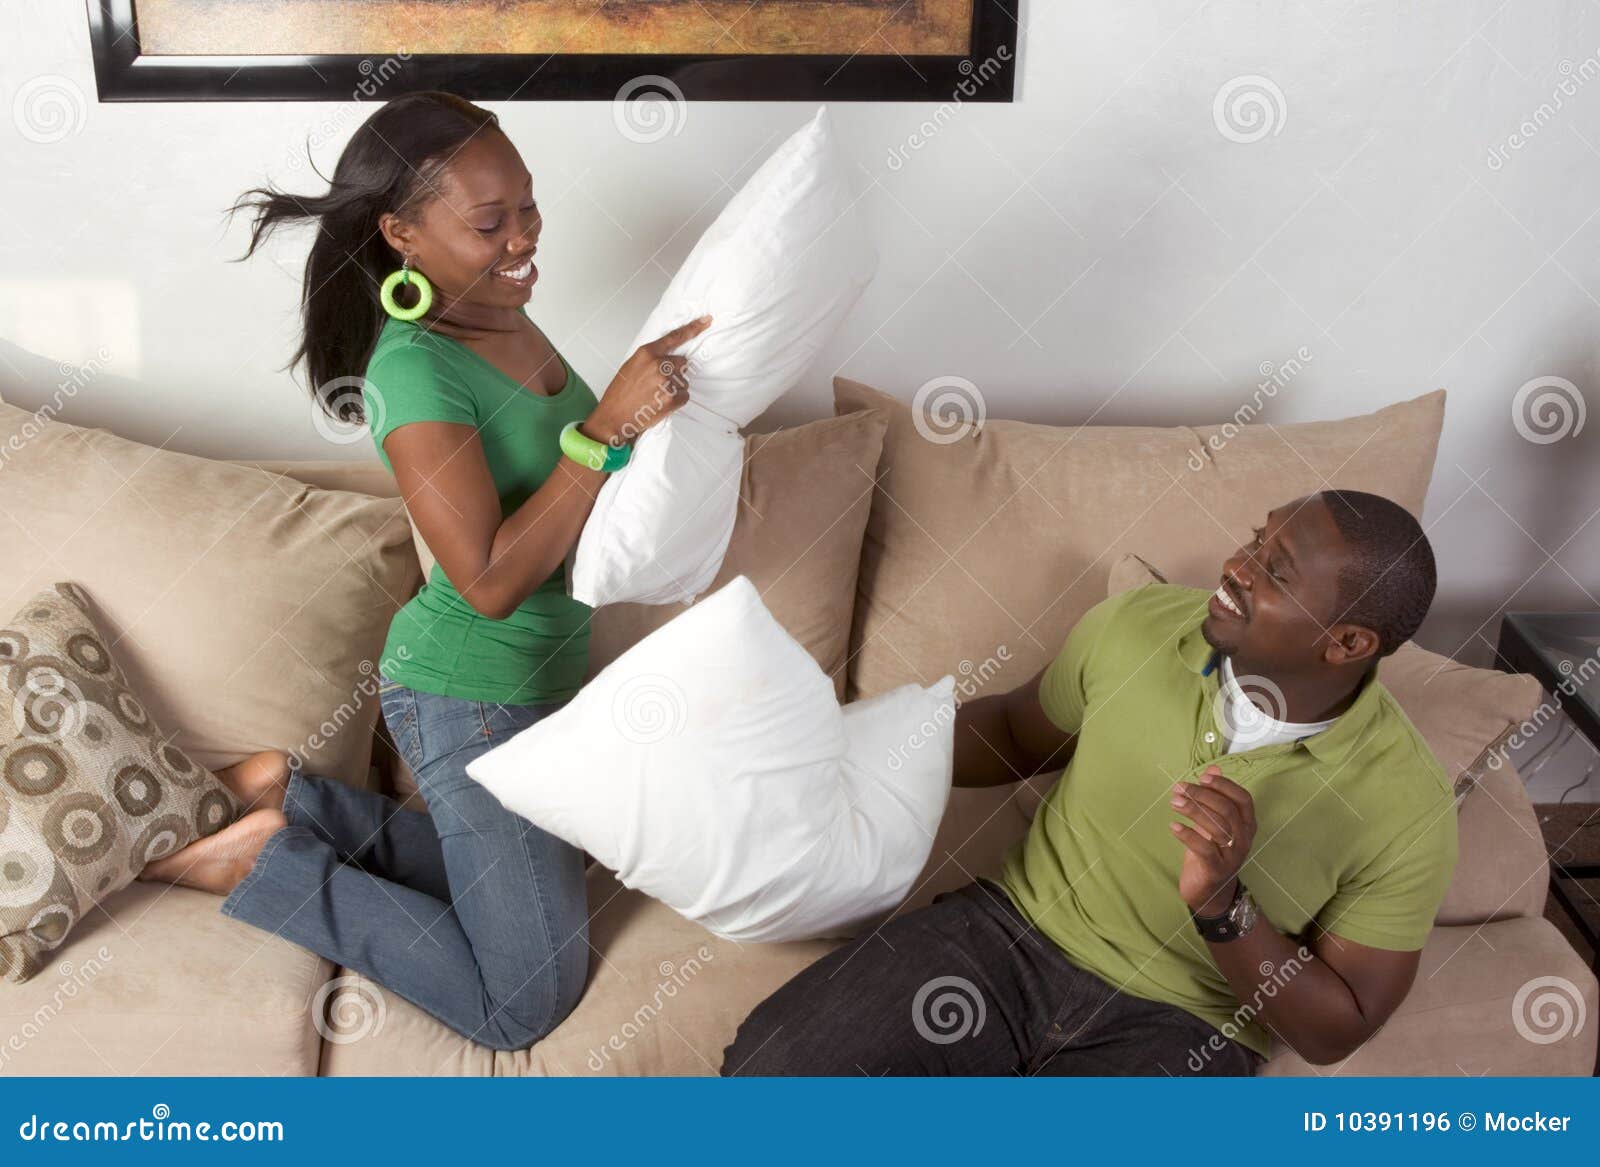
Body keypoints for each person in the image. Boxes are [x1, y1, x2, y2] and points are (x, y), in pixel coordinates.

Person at [138, 91, 711, 1051]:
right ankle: (267, 864)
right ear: (402, 234)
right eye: (490, 222)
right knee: (525, 1000)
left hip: (539, 690)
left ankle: (299, 797)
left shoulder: (502, 311)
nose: (524, 236)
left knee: (558, 888)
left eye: (528, 204)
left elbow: (559, 487)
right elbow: (487, 581)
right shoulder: (413, 370)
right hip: (469, 696)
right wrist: (608, 425)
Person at [722, 489, 1456, 1075]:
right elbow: (1016, 733)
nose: (1238, 566)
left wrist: (1223, 905)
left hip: (1182, 1027)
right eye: (1255, 540)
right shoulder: (1139, 627)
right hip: (1009, 935)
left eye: (1277, 570)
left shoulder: (1407, 805)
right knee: (769, 1071)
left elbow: (1337, 1028)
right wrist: (841, 745)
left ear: (1347, 642)